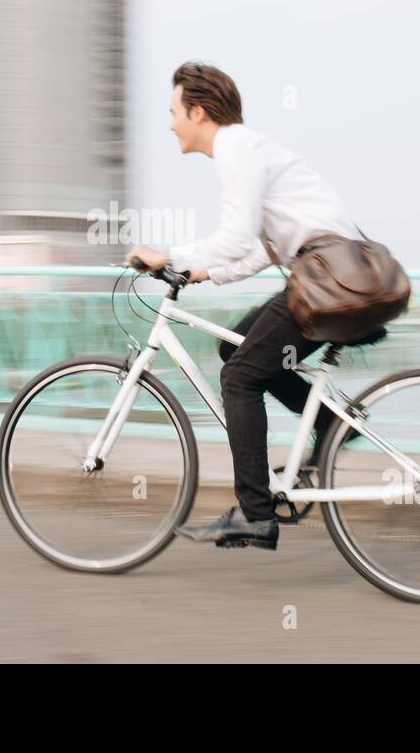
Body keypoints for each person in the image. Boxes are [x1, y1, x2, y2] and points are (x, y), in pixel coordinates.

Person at [126, 61, 361, 551]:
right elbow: (262, 247)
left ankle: (255, 515)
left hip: (325, 277)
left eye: (173, 112)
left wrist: (168, 255)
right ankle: (330, 426)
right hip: (331, 274)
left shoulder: (235, 146)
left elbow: (234, 237)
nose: (170, 124)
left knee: (239, 378)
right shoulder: (250, 149)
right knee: (238, 352)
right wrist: (201, 271)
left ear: (198, 110)